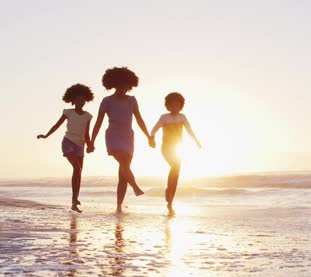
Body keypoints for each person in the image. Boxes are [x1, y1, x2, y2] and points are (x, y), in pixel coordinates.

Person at [89, 67, 153, 214]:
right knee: (124, 162)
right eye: (121, 85)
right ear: (115, 84)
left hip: (128, 137)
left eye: (127, 86)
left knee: (123, 175)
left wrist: (148, 136)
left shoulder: (132, 100)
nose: (124, 88)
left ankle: (119, 206)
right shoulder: (107, 101)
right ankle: (136, 187)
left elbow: (139, 119)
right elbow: (98, 122)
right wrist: (92, 141)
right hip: (113, 136)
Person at [37, 84, 94, 212]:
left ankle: (75, 201)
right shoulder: (68, 112)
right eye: (78, 99)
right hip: (68, 143)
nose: (81, 102)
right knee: (77, 168)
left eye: (83, 99)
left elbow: (86, 133)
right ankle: (74, 200)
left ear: (86, 100)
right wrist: (46, 135)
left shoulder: (88, 116)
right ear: (73, 101)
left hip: (80, 145)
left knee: (79, 173)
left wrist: (90, 144)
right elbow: (57, 125)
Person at [150, 92, 202, 216]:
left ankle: (170, 202)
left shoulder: (182, 117)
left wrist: (197, 142)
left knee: (176, 173)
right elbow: (154, 130)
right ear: (168, 106)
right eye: (172, 105)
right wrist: (152, 139)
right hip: (166, 148)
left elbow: (189, 130)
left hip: (178, 149)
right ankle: (168, 191)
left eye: (177, 105)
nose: (175, 108)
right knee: (175, 168)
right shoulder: (164, 117)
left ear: (181, 106)